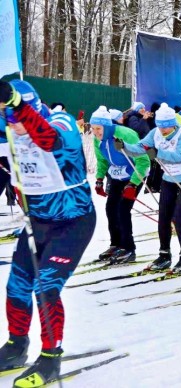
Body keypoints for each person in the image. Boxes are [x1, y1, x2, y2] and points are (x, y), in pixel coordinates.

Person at [0, 80, 96, 386]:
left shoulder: (59, 121)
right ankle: (16, 346)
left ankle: (51, 358)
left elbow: (49, 140)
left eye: (15, 118)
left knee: (45, 287)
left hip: (72, 222)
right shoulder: (9, 129)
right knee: (16, 286)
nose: (12, 127)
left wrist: (16, 106)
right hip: (37, 222)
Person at [120, 103, 181, 273]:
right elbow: (141, 148)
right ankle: (164, 255)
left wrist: (156, 153)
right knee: (163, 217)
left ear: (173, 123)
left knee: (178, 218)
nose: (162, 130)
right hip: (168, 180)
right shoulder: (155, 132)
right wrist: (125, 147)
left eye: (166, 127)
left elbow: (178, 157)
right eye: (160, 126)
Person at [91, 106, 150, 264]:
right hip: (117, 175)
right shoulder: (98, 140)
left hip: (134, 174)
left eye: (99, 128)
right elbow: (102, 160)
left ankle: (129, 248)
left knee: (123, 209)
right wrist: (99, 179)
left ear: (107, 126)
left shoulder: (126, 134)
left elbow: (143, 160)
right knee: (111, 208)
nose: (96, 132)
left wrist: (133, 184)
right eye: (93, 128)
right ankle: (116, 244)